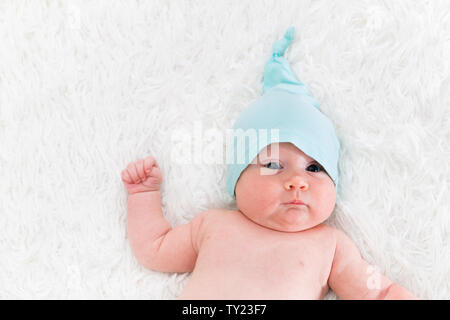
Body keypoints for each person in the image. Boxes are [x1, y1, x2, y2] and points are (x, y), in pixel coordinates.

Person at [121, 27, 418, 299]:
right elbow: (155, 247)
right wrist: (143, 196)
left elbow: (377, 292)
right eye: (274, 165)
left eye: (314, 168)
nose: (297, 181)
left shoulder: (331, 246)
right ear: (237, 178)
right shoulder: (213, 225)